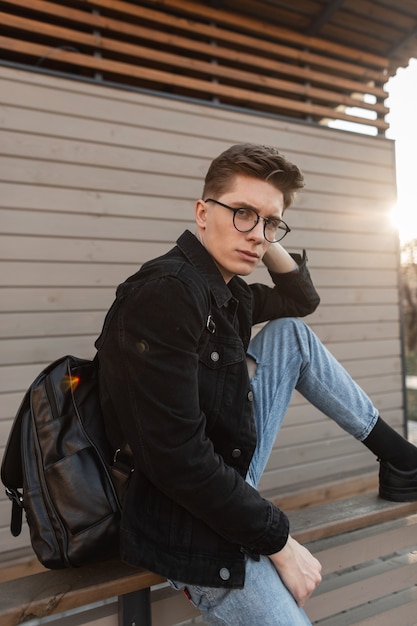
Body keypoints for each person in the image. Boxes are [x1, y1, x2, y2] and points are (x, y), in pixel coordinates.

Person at [95, 143, 417, 625]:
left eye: (270, 222)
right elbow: (176, 462)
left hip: (219, 470)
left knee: (291, 335)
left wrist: (261, 230)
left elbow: (302, 300)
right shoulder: (164, 295)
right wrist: (280, 541)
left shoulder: (229, 291)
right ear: (202, 213)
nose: (257, 234)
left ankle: (404, 461)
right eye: (241, 213)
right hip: (181, 516)